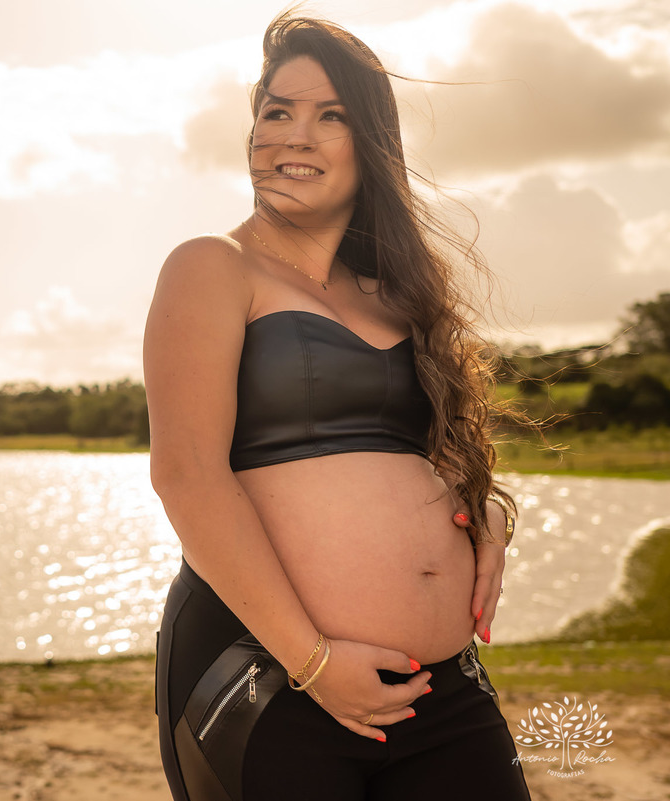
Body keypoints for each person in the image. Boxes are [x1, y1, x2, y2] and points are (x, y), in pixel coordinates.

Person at [144, 12, 531, 801]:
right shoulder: (211, 268)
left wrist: (487, 512)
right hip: (262, 677)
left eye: (331, 117)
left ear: (372, 145)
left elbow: (440, 450)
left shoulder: (401, 294)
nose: (295, 136)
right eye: (277, 111)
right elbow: (186, 473)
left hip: (442, 688)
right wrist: (313, 661)